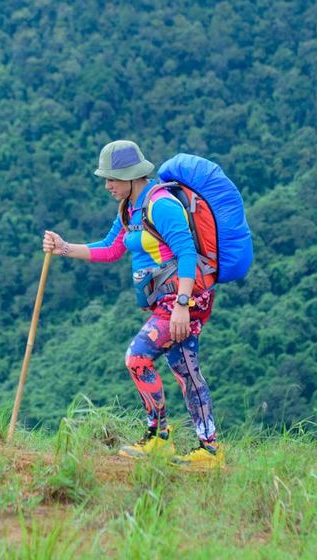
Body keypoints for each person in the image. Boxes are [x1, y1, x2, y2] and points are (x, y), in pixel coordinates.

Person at [42, 140, 222, 469]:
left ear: (131, 176)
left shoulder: (161, 205)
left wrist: (182, 304)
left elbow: (185, 253)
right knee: (184, 369)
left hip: (185, 299)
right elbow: (111, 249)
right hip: (168, 301)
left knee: (137, 357)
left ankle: (161, 439)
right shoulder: (129, 209)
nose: (107, 185)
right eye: (106, 178)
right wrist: (65, 248)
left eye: (112, 178)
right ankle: (206, 449)